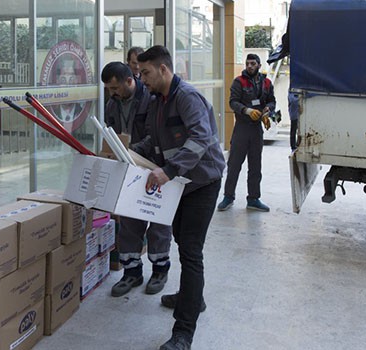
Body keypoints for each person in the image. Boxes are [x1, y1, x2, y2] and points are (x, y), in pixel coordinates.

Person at [133, 45, 226, 350]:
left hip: (202, 181)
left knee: (190, 251)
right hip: (180, 183)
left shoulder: (186, 96)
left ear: (163, 69)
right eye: (139, 72)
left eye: (145, 72)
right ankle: (192, 298)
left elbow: (201, 138)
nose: (141, 78)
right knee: (179, 240)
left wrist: (168, 171)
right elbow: (156, 140)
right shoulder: (158, 100)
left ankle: (183, 332)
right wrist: (131, 151)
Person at [100, 61, 172, 297]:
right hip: (127, 168)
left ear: (130, 81)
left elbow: (157, 135)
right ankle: (132, 272)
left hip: (153, 167)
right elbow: (110, 134)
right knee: (129, 223)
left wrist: (132, 150)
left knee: (158, 221)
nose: (112, 93)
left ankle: (160, 269)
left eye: (115, 88)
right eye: (109, 90)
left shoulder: (151, 100)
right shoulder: (112, 105)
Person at [217, 53, 276, 212]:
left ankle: (253, 199)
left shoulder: (266, 83)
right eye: (247, 63)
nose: (249, 66)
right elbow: (233, 102)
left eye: (253, 63)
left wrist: (267, 111)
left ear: (259, 65)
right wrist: (247, 110)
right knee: (234, 164)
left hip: (257, 130)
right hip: (242, 129)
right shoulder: (239, 82)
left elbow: (272, 101)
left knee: (255, 165)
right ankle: (228, 197)